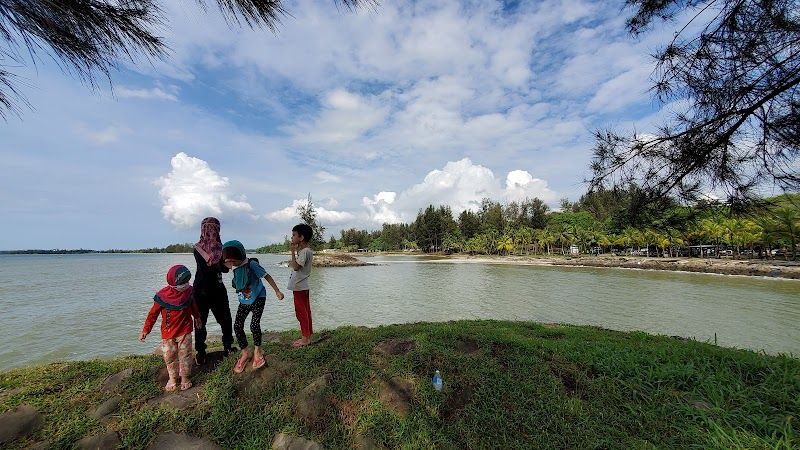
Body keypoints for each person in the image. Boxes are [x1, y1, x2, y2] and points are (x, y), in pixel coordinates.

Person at [221, 240, 284, 373]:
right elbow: (221, 264)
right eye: (229, 262)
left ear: (241, 256)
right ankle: (245, 352)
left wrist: (277, 291)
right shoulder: (233, 265)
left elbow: (267, 276)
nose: (232, 265)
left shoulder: (252, 264)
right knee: (237, 326)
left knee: (254, 325)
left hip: (258, 298)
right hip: (244, 300)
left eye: (234, 262)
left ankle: (257, 350)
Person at [140, 265, 203, 391]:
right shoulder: (162, 297)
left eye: (187, 281)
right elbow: (153, 315)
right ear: (173, 283)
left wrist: (197, 317)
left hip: (185, 329)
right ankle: (173, 378)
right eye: (183, 282)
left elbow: (193, 306)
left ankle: (185, 377)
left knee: (185, 354)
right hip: (168, 332)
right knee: (169, 356)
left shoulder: (189, 292)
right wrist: (146, 330)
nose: (186, 284)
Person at [193, 217, 235, 364]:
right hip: (203, 291)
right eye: (210, 228)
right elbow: (208, 269)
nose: (212, 232)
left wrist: (226, 263)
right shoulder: (198, 248)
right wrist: (223, 262)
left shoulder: (220, 247)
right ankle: (200, 352)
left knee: (225, 320)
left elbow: (224, 270)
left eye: (214, 229)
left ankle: (228, 347)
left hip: (213, 289)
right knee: (200, 322)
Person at [288, 223, 314, 348]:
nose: (292, 238)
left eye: (294, 235)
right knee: (306, 311)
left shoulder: (304, 252)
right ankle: (308, 335)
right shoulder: (305, 251)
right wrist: (296, 250)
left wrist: (292, 252)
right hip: (303, 286)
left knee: (301, 313)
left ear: (301, 237)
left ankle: (305, 339)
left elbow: (296, 267)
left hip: (299, 287)